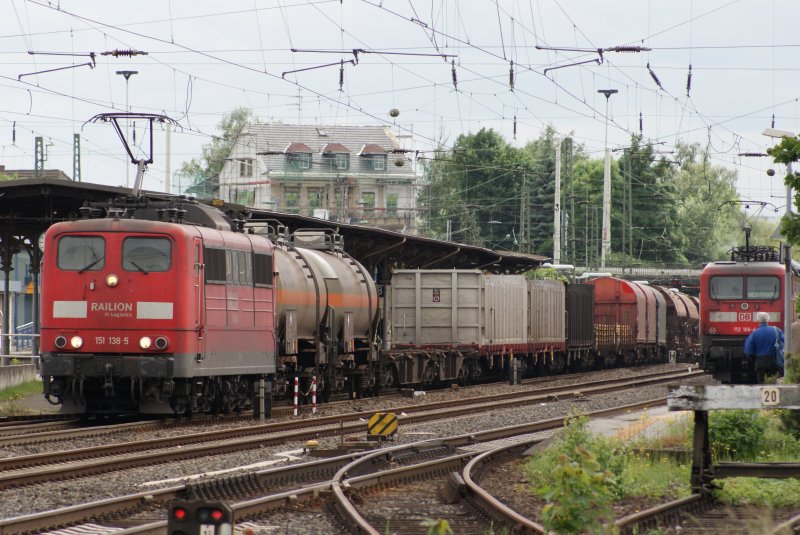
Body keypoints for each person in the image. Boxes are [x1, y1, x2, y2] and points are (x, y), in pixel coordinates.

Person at [744, 311, 784, 383]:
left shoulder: (754, 334)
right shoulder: (777, 330)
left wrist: (755, 360)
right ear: (768, 320)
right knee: (774, 382)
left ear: (758, 321)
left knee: (761, 383)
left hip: (760, 362)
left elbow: (748, 351)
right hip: (774, 361)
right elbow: (784, 342)